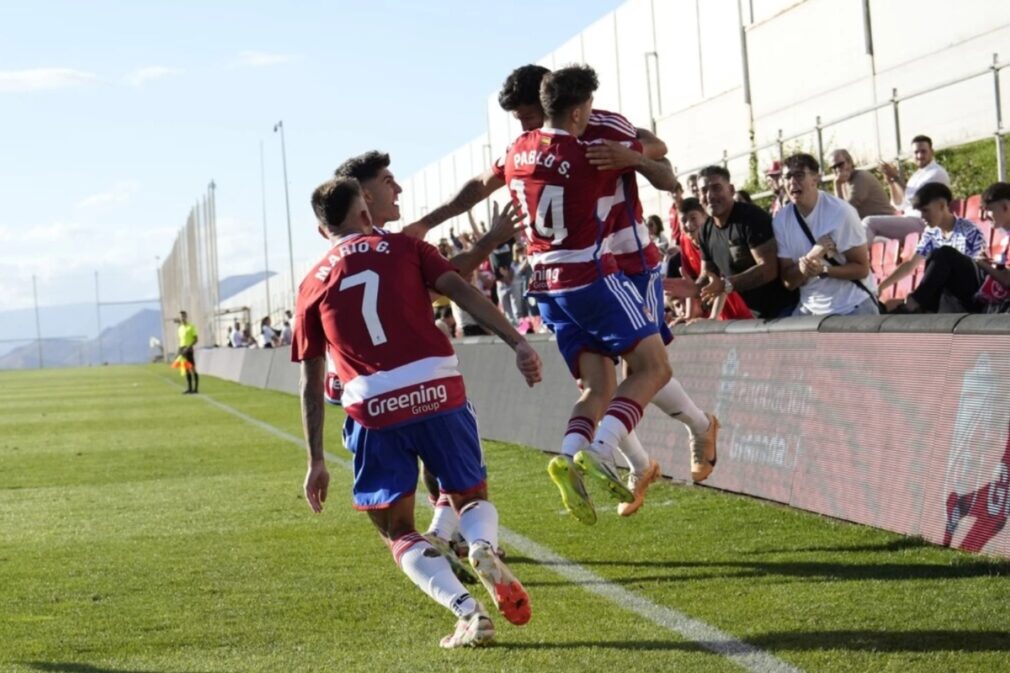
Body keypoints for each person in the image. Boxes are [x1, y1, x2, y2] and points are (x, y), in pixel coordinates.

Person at [294, 176, 542, 648]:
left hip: (374, 404)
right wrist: (518, 341)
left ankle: (468, 613)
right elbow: (463, 291)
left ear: (321, 230)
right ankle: (483, 546)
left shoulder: (312, 283)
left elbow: (310, 380)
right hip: (437, 387)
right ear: (365, 211)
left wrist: (316, 460)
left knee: (397, 529)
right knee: (470, 495)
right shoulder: (406, 247)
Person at [501, 64, 681, 525]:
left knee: (596, 387)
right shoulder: (591, 155)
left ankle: (569, 453)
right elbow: (667, 177)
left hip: (544, 287)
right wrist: (635, 159)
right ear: (580, 111)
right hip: (591, 279)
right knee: (654, 368)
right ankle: (602, 451)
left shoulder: (517, 151)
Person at [773, 153, 879, 316]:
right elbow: (788, 282)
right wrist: (811, 258)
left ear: (815, 178)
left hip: (852, 307)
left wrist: (822, 270)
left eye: (799, 175)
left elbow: (861, 269)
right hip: (809, 309)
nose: (792, 182)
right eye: (787, 177)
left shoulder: (841, 213)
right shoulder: (780, 221)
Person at [696, 165, 798, 319]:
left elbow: (769, 269)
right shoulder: (705, 231)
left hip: (785, 310)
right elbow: (708, 275)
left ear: (731, 190)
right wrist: (693, 287)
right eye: (703, 191)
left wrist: (726, 285)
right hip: (754, 316)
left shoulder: (751, 218)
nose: (709, 195)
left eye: (716, 188)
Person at [889, 183, 990, 313]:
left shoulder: (968, 229)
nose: (922, 217)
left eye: (926, 210)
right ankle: (926, 308)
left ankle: (916, 303)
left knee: (944, 253)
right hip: (950, 295)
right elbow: (910, 265)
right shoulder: (931, 233)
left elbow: (980, 269)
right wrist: (880, 287)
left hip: (975, 295)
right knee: (934, 255)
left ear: (942, 206)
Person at [866, 134, 951, 244]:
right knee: (875, 239)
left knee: (869, 222)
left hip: (923, 222)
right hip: (910, 220)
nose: (919, 155)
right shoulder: (915, 176)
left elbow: (917, 200)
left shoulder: (937, 172)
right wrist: (891, 182)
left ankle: (849, 259)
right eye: (916, 152)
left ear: (932, 152)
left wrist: (896, 177)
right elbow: (899, 204)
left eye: (923, 151)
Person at [829, 149, 895, 219]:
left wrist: (837, 185)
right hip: (870, 226)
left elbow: (845, 212)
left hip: (885, 222)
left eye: (840, 165)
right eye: (833, 167)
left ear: (849, 162)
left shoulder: (860, 178)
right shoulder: (844, 182)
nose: (837, 169)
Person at [177, 310, 198, 394]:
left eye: (183, 316)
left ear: (186, 317)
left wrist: (188, 347)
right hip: (182, 349)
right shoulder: (180, 328)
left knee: (192, 368)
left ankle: (195, 389)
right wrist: (180, 350)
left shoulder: (191, 326)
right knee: (186, 369)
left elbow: (196, 339)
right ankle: (189, 388)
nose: (182, 318)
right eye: (181, 316)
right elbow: (181, 340)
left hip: (188, 349)